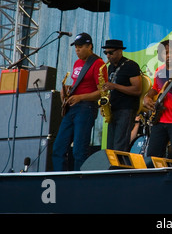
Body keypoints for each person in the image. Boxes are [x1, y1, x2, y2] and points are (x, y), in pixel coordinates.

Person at [52, 33, 107, 171]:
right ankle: (60, 179)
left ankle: (79, 181)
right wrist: (68, 90)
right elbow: (79, 84)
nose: (77, 50)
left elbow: (102, 92)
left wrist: (81, 97)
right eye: (76, 47)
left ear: (90, 46)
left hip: (86, 108)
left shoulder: (98, 63)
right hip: (72, 107)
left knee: (79, 150)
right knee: (58, 147)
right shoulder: (77, 63)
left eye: (80, 47)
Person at [101, 39, 142, 152]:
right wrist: (105, 102)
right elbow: (112, 90)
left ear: (120, 51)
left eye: (111, 52)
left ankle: (118, 169)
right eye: (106, 53)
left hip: (126, 109)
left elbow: (137, 90)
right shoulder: (110, 67)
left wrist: (115, 86)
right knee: (110, 146)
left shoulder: (131, 65)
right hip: (113, 108)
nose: (108, 55)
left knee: (120, 146)